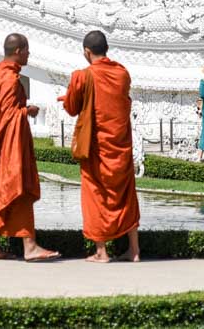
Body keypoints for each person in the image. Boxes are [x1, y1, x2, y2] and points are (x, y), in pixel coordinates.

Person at [0, 33, 60, 262]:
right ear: (19, 51)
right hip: (7, 147)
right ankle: (29, 247)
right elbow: (10, 115)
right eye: (27, 50)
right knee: (17, 189)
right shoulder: (10, 80)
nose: (29, 54)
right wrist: (27, 111)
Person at [61, 30, 141, 263]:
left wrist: (67, 98)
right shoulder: (122, 73)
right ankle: (134, 250)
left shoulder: (82, 76)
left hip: (96, 147)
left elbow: (72, 107)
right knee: (126, 196)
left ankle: (101, 251)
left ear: (87, 52)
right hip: (121, 145)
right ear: (106, 49)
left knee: (96, 195)